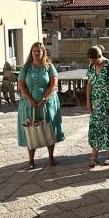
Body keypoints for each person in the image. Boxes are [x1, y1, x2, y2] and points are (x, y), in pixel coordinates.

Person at [17, 42, 64, 170]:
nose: (37, 53)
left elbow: (53, 85)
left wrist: (44, 99)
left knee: (49, 127)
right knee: (30, 129)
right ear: (31, 53)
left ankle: (51, 158)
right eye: (35, 51)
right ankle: (31, 160)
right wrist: (30, 99)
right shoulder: (26, 68)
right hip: (28, 104)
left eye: (40, 51)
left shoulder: (49, 67)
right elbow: (21, 84)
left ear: (44, 52)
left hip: (47, 103)